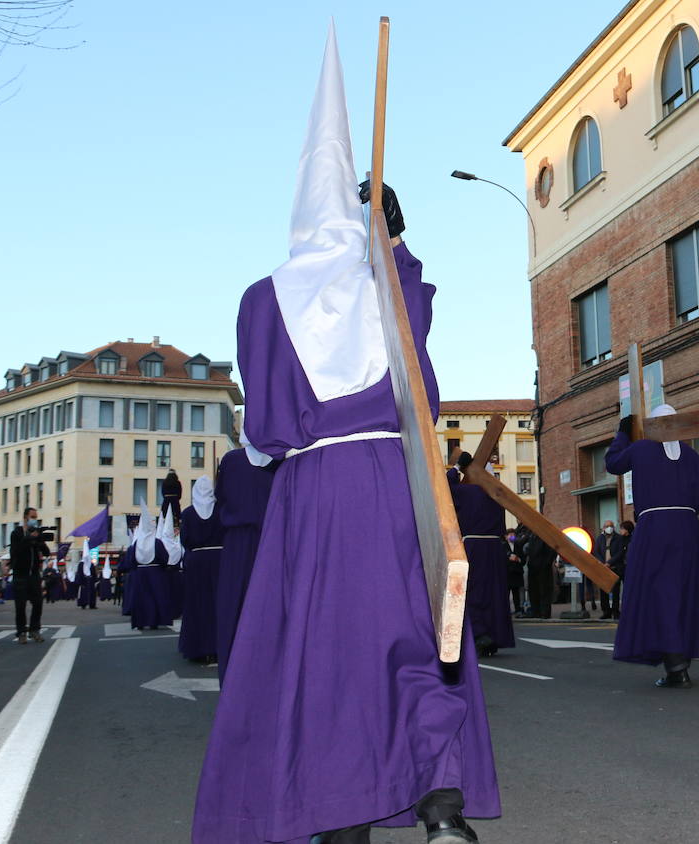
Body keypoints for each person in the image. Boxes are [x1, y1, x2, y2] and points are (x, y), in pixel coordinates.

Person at [191, 61, 498, 844]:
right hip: (398, 481)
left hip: (317, 490)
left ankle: (339, 814)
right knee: (413, 636)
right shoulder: (387, 277)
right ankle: (440, 802)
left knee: (326, 650)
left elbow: (263, 430)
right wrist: (394, 242)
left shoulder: (264, 298)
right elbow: (422, 380)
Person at [606, 405, 699, 688]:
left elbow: (613, 463)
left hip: (654, 528)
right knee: (681, 593)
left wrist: (622, 435)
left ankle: (675, 663)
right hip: (687, 529)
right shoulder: (694, 457)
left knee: (657, 592)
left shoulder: (642, 449)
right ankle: (678, 659)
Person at [214, 441, 278, 681]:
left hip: (236, 545)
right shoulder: (280, 459)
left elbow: (221, 497)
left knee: (234, 605)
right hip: (272, 540)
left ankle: (233, 673)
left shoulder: (231, 460)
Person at [449, 454, 514, 658]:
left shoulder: (468, 492)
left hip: (474, 547)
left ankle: (480, 634)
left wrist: (457, 467)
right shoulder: (498, 494)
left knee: (474, 592)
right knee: (495, 592)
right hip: (495, 548)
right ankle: (495, 636)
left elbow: (443, 488)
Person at [179, 476, 224, 664]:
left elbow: (185, 540)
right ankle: (218, 646)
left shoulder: (188, 514)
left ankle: (197, 647)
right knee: (219, 604)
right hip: (220, 560)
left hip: (197, 561)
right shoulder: (220, 509)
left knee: (197, 604)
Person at [523, 522, 557, 620]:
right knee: (534, 590)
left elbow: (551, 551)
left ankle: (544, 612)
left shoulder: (545, 537)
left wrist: (546, 564)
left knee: (544, 590)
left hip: (543, 568)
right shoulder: (531, 536)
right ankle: (536, 611)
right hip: (533, 567)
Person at [609, 520, 632, 618]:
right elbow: (618, 552)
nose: (621, 530)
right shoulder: (619, 539)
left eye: (622, 528)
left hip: (628, 568)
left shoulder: (632, 539)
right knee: (615, 591)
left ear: (627, 530)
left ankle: (627, 609)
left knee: (627, 590)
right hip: (618, 567)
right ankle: (615, 611)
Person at [595, 520, 617, 618]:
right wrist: (603, 563)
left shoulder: (618, 538)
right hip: (603, 568)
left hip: (614, 567)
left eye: (611, 526)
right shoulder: (600, 538)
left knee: (616, 591)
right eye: (607, 526)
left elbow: (619, 553)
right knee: (604, 591)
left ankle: (616, 611)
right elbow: (597, 551)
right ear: (603, 528)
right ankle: (606, 612)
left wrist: (610, 562)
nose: (609, 528)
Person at [505, 529, 526, 616]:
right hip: (507, 573)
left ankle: (518, 610)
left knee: (516, 592)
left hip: (517, 572)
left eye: (513, 535)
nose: (512, 536)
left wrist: (518, 559)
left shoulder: (518, 545)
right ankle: (506, 610)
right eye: (510, 535)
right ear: (506, 536)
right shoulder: (503, 546)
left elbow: (523, 559)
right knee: (506, 592)